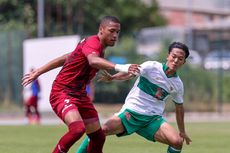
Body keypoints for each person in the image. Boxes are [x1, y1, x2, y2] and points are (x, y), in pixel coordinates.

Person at [22, 15, 140, 153]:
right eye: (112, 30)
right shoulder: (93, 43)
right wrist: (121, 67)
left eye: (117, 32)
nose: (115, 35)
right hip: (62, 92)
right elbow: (93, 61)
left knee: (98, 137)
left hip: (80, 95)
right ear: (101, 29)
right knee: (77, 129)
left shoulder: (96, 48)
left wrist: (39, 71)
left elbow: (67, 57)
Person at [76, 42, 192, 153]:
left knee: (177, 142)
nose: (176, 60)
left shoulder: (178, 84)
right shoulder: (151, 66)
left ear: (184, 62)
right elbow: (131, 72)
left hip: (152, 120)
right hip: (131, 113)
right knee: (101, 132)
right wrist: (113, 77)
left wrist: (182, 131)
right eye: (174, 56)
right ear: (168, 56)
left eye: (180, 59)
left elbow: (179, 108)